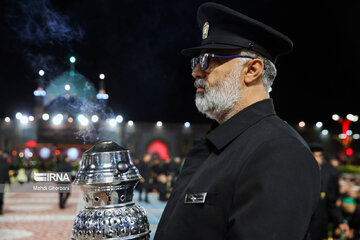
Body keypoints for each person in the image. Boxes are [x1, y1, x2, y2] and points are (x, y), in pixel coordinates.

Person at [154, 3, 320, 240]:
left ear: (252, 70)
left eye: (208, 61)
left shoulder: (280, 152)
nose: (196, 73)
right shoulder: (220, 144)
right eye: (196, 62)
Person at [307, 142, 350, 239]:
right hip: (304, 221)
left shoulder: (329, 173)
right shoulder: (300, 172)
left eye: (319, 156)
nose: (317, 159)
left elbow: (332, 200)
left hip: (320, 221)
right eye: (313, 155)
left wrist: (339, 221)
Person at [0, 150, 10, 215]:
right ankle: (0, 209)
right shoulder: (5, 164)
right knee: (1, 196)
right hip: (1, 182)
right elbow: (6, 175)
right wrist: (9, 182)